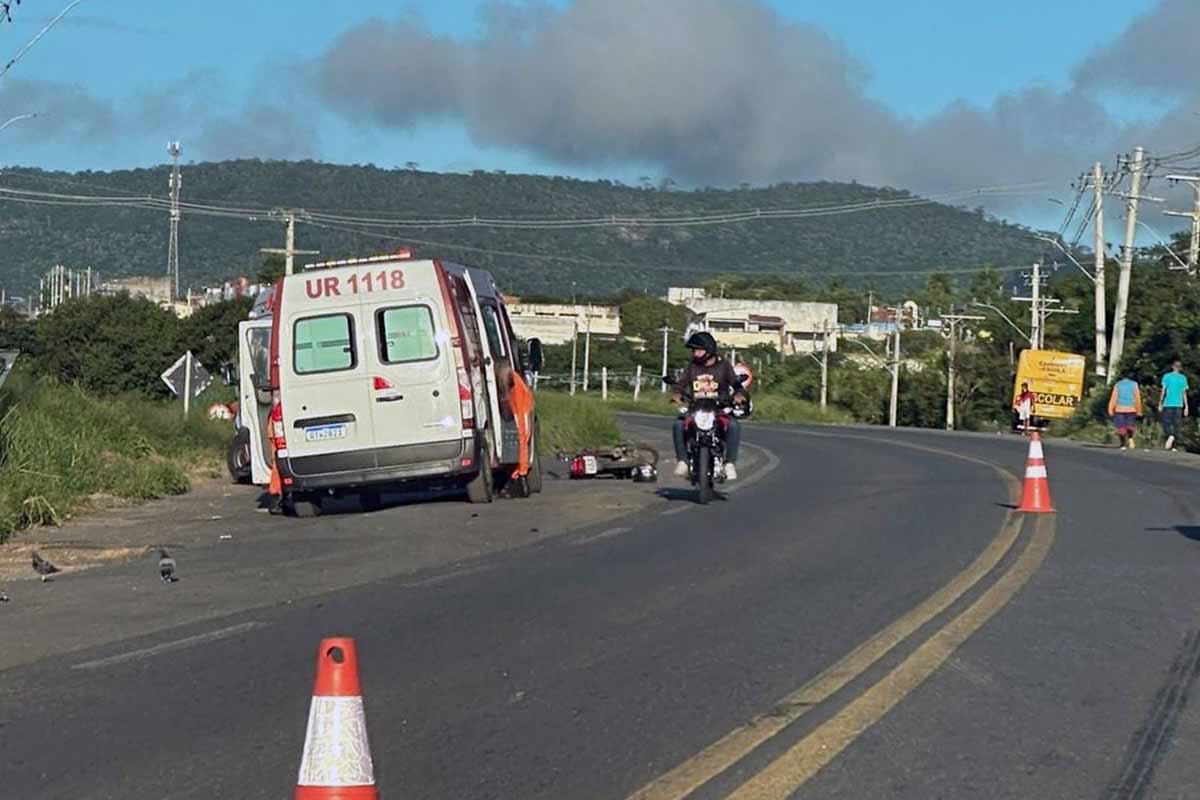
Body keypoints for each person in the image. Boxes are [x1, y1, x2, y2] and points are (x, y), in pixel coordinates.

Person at [671, 331, 745, 480]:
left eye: (699, 350)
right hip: (696, 408)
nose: (695, 353)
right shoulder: (691, 366)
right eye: (694, 350)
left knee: (733, 426)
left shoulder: (724, 365)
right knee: (678, 424)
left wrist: (738, 395)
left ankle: (729, 463)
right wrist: (677, 393)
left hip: (719, 408)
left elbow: (736, 384)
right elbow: (681, 384)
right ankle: (683, 461)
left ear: (709, 349)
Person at [1159, 359, 1189, 451]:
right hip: (1179, 404)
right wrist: (1186, 406)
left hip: (1168, 403)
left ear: (1172, 367)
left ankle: (1170, 436)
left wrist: (1160, 402)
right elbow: (1184, 393)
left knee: (1166, 423)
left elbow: (1163, 390)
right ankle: (1174, 446)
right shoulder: (1183, 378)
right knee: (1177, 425)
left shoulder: (1167, 376)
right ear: (1180, 368)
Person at [1108, 375, 1143, 450]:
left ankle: (1123, 444)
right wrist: (1139, 410)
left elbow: (1114, 397)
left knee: (1121, 427)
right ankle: (1130, 438)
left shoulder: (1118, 384)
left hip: (1120, 408)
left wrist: (1110, 409)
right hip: (1131, 409)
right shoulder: (1134, 384)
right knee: (1129, 426)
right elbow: (1137, 397)